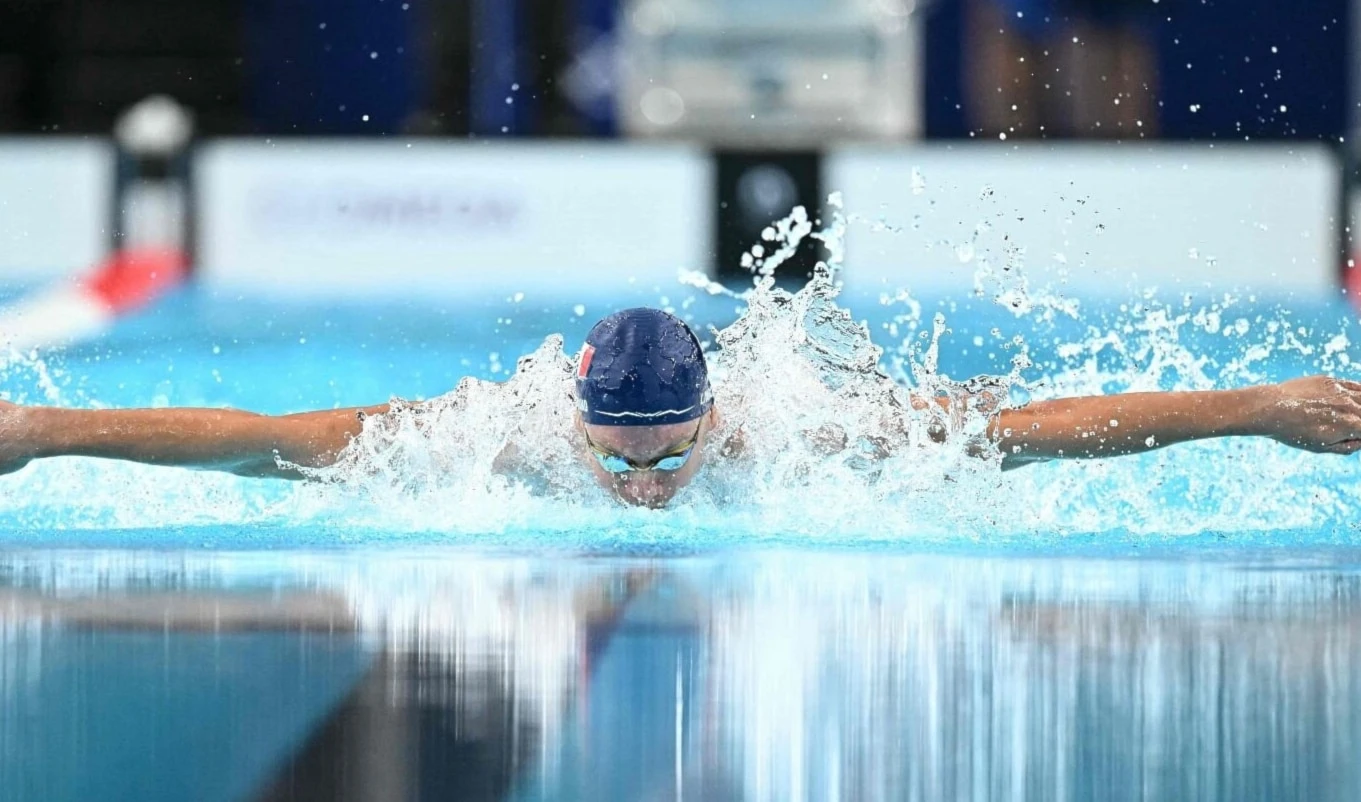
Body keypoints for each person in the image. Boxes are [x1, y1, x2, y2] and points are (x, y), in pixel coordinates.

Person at [0, 307, 1359, 509]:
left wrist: (1264, 406)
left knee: (944, 426)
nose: (643, 488)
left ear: (710, 424)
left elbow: (1041, 436)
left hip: (807, 402)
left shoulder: (786, 430)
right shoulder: (497, 434)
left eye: (667, 459)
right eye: (621, 462)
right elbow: (263, 445)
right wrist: (42, 431)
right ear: (577, 424)